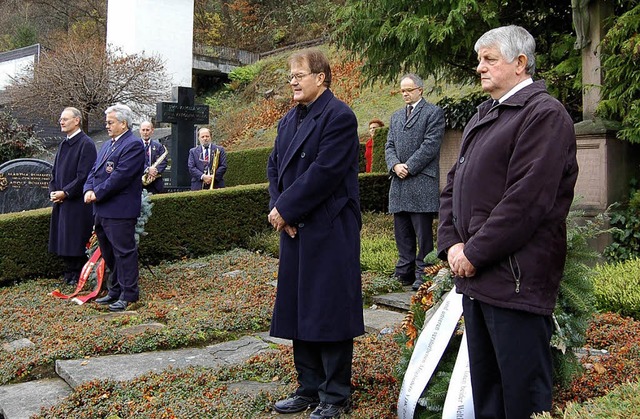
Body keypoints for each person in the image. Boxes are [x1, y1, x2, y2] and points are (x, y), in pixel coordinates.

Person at [437, 25, 579, 419]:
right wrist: (451, 244)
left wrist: (475, 253)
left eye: (489, 59)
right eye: (479, 59)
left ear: (520, 63)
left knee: (522, 398)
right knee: (489, 395)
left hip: (516, 281)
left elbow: (526, 201)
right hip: (480, 279)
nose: (479, 67)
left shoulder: (544, 115)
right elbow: (453, 185)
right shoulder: (486, 114)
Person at [267, 49, 364, 419]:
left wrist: (286, 208)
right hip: (294, 228)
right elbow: (274, 165)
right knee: (298, 308)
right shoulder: (288, 119)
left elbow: (324, 172)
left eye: (299, 74)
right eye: (290, 75)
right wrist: (280, 210)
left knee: (329, 309)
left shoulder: (339, 116)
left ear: (321, 77)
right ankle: (308, 387)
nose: (292, 81)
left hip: (329, 227)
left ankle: (336, 395)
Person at [385, 73, 445, 291]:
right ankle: (404, 271)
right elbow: (389, 145)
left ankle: (424, 272)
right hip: (399, 183)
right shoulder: (396, 116)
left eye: (409, 90)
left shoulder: (433, 113)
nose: (405, 94)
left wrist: (408, 166)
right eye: (402, 91)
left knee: (423, 234)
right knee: (402, 232)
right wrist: (395, 165)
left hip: (420, 181)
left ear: (420, 89)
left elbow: (430, 146)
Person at [84, 104, 145, 312]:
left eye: (110, 122)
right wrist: (87, 189)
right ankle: (115, 290)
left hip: (120, 210)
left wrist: (97, 193)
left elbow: (120, 177)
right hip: (102, 210)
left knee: (124, 253)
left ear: (123, 123)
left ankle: (129, 295)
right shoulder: (108, 144)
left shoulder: (133, 145)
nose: (107, 126)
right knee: (109, 254)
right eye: (107, 122)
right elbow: (94, 171)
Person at [48, 107, 97, 285]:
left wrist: (66, 192)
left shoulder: (86, 144)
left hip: (76, 202)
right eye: (61, 119)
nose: (61, 122)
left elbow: (84, 175)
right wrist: (53, 190)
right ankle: (69, 272)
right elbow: (54, 171)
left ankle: (77, 273)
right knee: (63, 238)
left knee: (75, 238)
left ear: (77, 121)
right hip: (62, 200)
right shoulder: (63, 144)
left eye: (65, 119)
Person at [139, 121, 167, 194]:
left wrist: (155, 172)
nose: (145, 132)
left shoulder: (159, 146)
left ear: (152, 131)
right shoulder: (134, 146)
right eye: (143, 130)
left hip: (156, 185)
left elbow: (164, 162)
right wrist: (147, 170)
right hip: (139, 184)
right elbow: (134, 162)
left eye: (147, 130)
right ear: (140, 131)